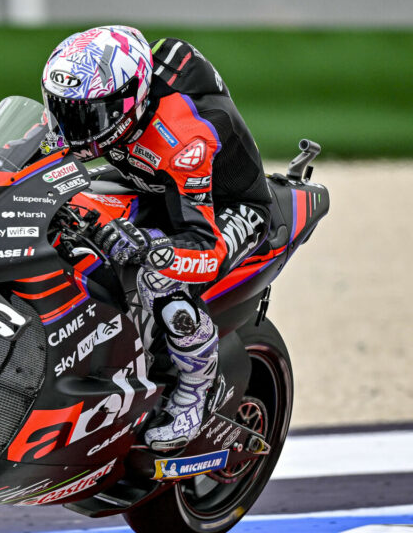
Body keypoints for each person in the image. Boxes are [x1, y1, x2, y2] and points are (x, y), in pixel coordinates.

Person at [41, 25, 271, 451]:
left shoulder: (185, 137)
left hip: (225, 209)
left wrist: (149, 248)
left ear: (130, 102)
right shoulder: (106, 103)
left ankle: (193, 396)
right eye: (63, 110)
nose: (71, 127)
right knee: (63, 211)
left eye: (85, 117)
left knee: (158, 274)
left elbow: (203, 245)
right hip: (152, 182)